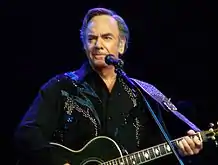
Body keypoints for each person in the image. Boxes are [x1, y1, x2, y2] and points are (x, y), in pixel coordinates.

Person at [13, 7, 204, 165]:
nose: (98, 44)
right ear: (85, 45)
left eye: (106, 37)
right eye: (91, 39)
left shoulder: (141, 94)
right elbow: (26, 134)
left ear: (121, 45)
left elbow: (155, 152)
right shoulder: (61, 86)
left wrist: (181, 151)